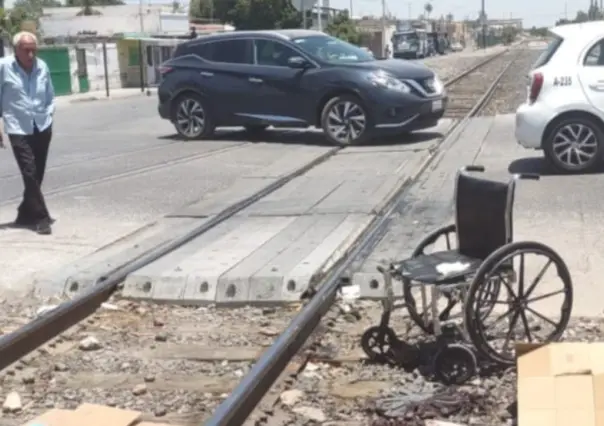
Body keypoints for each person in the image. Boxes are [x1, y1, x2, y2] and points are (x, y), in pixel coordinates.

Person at [0, 31, 55, 235]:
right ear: (16, 50)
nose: (31, 54)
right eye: (26, 50)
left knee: (37, 173)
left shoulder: (42, 67)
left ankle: (25, 213)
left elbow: (50, 94)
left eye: (33, 49)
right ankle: (41, 218)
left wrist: (49, 115)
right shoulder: (4, 67)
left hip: (41, 125)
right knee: (29, 171)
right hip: (17, 126)